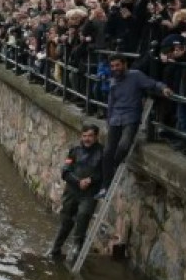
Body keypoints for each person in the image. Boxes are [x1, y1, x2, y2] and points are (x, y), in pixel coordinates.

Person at [96, 55, 173, 198]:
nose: (115, 69)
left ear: (124, 64)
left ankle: (114, 167)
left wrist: (163, 88)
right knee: (107, 152)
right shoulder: (113, 81)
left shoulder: (135, 76)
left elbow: (152, 83)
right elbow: (111, 103)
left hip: (130, 117)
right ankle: (105, 186)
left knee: (123, 146)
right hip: (115, 119)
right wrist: (109, 119)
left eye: (117, 65)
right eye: (112, 66)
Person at [48, 124, 103, 258]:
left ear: (96, 137)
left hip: (89, 193)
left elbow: (105, 173)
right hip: (72, 191)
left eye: (90, 136)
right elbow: (65, 172)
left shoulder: (102, 152)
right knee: (66, 219)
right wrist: (78, 181)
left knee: (83, 216)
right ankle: (55, 248)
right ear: (81, 136)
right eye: (84, 136)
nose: (87, 139)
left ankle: (77, 248)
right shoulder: (74, 151)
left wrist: (90, 180)